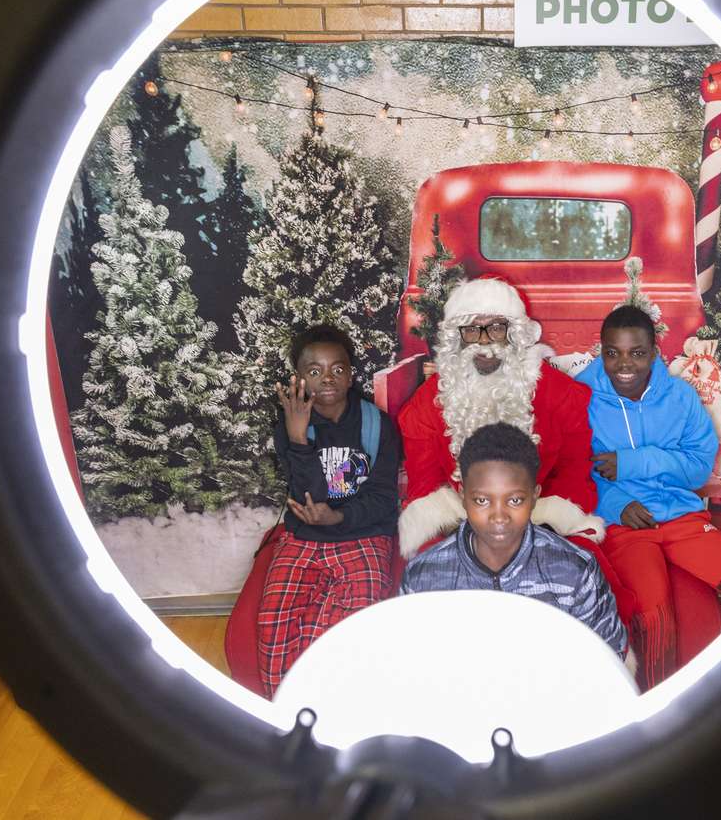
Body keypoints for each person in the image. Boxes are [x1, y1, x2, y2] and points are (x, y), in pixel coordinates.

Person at [576, 305, 721, 689]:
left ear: (655, 352)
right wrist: (617, 505)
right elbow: (575, 474)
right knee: (654, 614)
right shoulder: (582, 397)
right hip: (625, 526)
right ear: (602, 351)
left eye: (637, 352)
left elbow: (698, 468)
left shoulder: (679, 397)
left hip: (682, 519)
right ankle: (657, 713)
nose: (623, 364)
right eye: (612, 353)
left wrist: (634, 462)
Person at [397, 277, 606, 560]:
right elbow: (426, 481)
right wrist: (464, 527)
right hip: (460, 521)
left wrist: (542, 523)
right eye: (472, 329)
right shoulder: (427, 403)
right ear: (457, 336)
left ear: (514, 333)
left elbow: (574, 470)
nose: (484, 342)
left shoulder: (560, 393)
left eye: (496, 328)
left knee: (577, 569)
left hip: (539, 517)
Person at [256, 324, 402, 697]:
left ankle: (328, 704)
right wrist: (298, 438)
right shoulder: (290, 426)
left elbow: (384, 498)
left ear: (351, 374)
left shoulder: (377, 424)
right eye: (315, 370)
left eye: (338, 369)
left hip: (362, 533)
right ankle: (285, 710)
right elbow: (308, 494)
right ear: (300, 377)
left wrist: (337, 517)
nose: (327, 379)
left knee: (342, 630)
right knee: (275, 622)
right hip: (304, 536)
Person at [401, 423, 628, 660]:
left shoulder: (575, 571)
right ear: (463, 498)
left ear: (534, 496)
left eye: (515, 501)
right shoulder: (424, 577)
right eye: (481, 500)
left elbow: (608, 663)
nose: (499, 517)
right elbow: (413, 666)